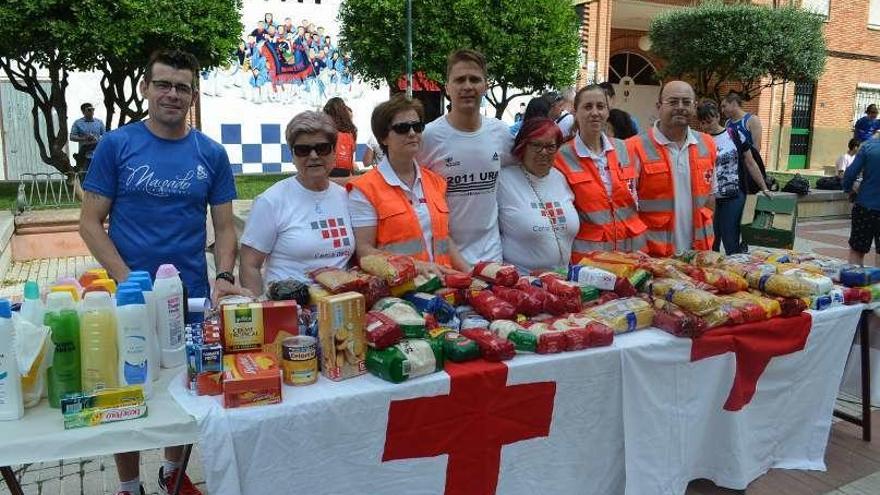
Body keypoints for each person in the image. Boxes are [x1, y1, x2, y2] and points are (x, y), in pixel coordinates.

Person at [79, 49, 249, 495]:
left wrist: (225, 276)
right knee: (128, 388)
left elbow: (225, 226)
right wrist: (126, 279)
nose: (173, 94)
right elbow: (90, 222)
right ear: (145, 89)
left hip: (189, 293)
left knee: (182, 390)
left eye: (182, 87)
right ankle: (129, 485)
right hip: (128, 295)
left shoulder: (210, 153)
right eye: (163, 84)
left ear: (193, 95)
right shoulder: (117, 145)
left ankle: (172, 475)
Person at [348, 95, 469, 275]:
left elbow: (443, 240)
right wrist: (418, 267)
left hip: (445, 287)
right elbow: (365, 252)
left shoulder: (436, 182)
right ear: (383, 138)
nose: (412, 133)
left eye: (417, 127)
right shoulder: (365, 190)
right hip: (401, 293)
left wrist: (469, 272)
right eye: (402, 128)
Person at [240, 111, 355, 294]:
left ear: (334, 151)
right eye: (303, 150)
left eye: (322, 148)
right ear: (292, 155)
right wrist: (260, 311)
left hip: (341, 309)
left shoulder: (346, 198)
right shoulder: (271, 201)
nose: (314, 155)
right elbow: (249, 265)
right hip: (290, 311)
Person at [416, 49, 513, 265]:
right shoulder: (429, 137)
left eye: (475, 79)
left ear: (485, 86)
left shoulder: (501, 133)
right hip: (446, 260)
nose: (467, 86)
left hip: (492, 258)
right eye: (460, 80)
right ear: (448, 87)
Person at [626, 80, 718, 257]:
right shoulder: (633, 148)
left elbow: (710, 198)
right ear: (659, 106)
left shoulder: (707, 144)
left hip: (698, 256)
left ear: (695, 106)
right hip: (654, 257)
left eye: (686, 102)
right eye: (673, 102)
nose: (680, 107)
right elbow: (627, 208)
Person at [554, 85, 646, 260]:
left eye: (600, 106)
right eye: (588, 107)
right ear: (575, 112)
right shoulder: (561, 157)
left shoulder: (626, 149)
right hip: (592, 260)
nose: (595, 112)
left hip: (633, 255)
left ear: (608, 112)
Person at [498, 117, 578, 273]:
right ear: (523, 146)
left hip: (563, 281)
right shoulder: (503, 181)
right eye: (536, 145)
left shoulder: (560, 178)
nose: (543, 152)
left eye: (550, 146)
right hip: (522, 284)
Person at [696, 100, 770, 255]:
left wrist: (764, 187)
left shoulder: (734, 135)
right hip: (709, 199)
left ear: (717, 117)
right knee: (710, 242)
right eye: (702, 123)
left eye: (709, 121)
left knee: (731, 241)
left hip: (733, 195)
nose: (706, 126)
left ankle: (735, 275)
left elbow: (751, 163)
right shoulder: (698, 141)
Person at [844, 138, 880, 266]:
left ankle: (854, 282)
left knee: (857, 250)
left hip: (865, 206)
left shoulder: (868, 147)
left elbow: (850, 173)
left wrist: (849, 190)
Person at [323, 97, 357, 176]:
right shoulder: (351, 131)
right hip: (346, 171)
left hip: (328, 170)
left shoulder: (325, 130)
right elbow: (352, 152)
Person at [70, 102, 106, 170]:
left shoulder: (99, 122)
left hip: (97, 155)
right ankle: (78, 162)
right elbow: (71, 137)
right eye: (89, 110)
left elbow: (105, 136)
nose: (92, 111)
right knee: (84, 174)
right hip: (84, 156)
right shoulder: (77, 123)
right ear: (83, 111)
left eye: (93, 109)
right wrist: (84, 138)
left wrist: (97, 139)